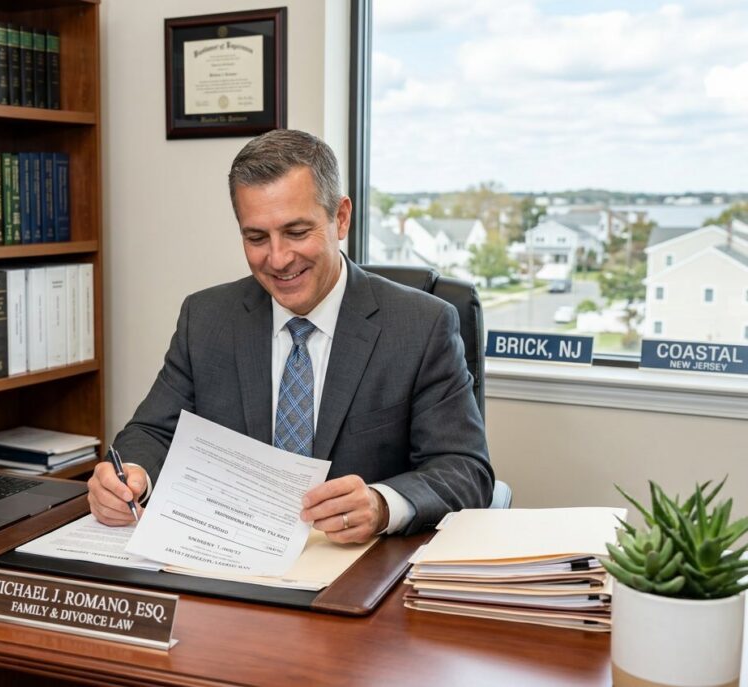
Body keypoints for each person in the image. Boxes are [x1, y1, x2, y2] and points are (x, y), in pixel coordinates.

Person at [88, 129, 493, 543]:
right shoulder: (206, 318)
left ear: (340, 217)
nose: (278, 259)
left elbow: (464, 470)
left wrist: (383, 503)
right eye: (256, 238)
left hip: (354, 569)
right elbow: (153, 432)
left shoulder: (421, 325)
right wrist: (131, 477)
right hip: (230, 557)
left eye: (297, 232)